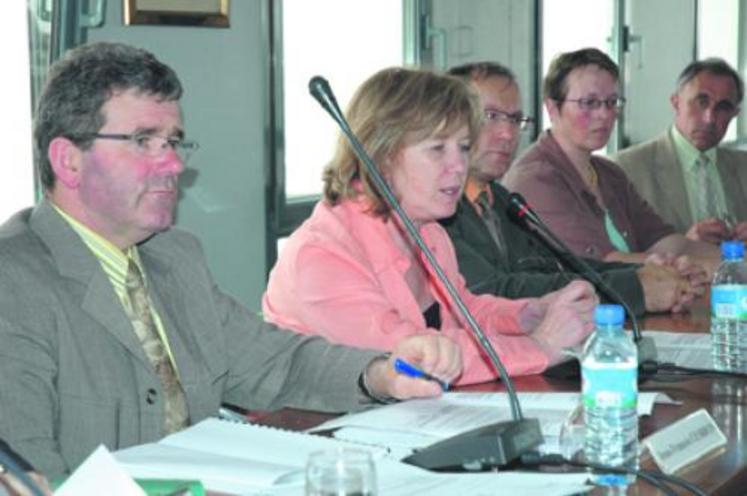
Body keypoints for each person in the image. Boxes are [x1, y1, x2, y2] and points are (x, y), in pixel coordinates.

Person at [0, 42, 464, 479]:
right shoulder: (13, 282)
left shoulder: (174, 257)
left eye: (174, 141)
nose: (174, 165)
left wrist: (382, 374)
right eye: (144, 141)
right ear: (68, 160)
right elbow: (25, 473)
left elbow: (276, 363)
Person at [263, 67, 598, 386]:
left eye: (464, 148)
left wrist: (529, 315)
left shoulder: (428, 231)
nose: (458, 167)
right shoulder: (322, 254)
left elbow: (466, 310)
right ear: (381, 156)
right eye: (437, 149)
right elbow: (414, 356)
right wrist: (541, 346)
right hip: (318, 433)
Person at [441, 61, 700, 315]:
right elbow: (494, 292)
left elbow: (553, 267)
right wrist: (636, 288)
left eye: (515, 119)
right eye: (491, 116)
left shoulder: (499, 199)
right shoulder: (439, 208)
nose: (508, 134)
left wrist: (645, 275)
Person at [502, 48, 719, 273]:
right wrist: (692, 266)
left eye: (612, 102)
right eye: (589, 102)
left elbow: (665, 241)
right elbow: (601, 263)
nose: (605, 115)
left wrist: (732, 260)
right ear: (552, 108)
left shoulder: (609, 173)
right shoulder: (536, 178)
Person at [614, 58, 747, 244]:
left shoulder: (743, 166)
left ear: (735, 114)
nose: (709, 118)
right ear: (676, 102)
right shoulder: (626, 168)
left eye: (723, 107)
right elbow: (614, 257)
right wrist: (684, 245)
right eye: (701, 102)